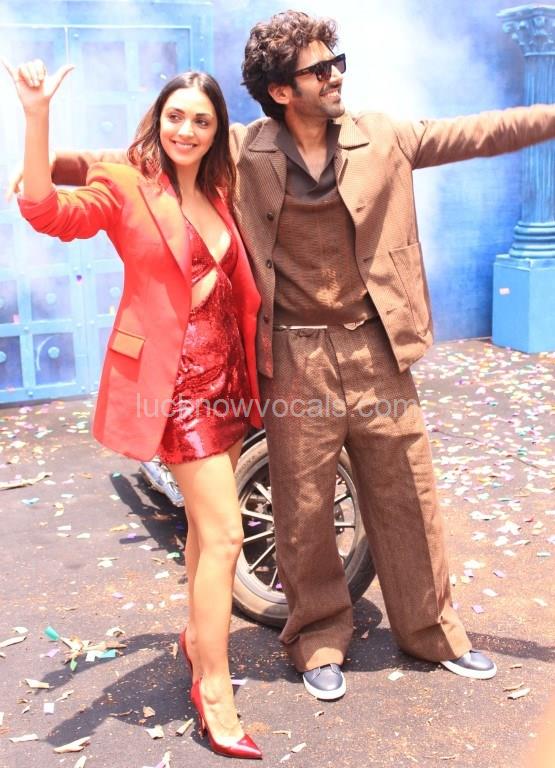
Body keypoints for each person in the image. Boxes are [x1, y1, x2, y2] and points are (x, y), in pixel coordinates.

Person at [18, 9, 555, 701]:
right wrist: (43, 164)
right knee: (302, 504)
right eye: (319, 68)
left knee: (407, 492)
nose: (336, 76)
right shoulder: (242, 149)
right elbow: (138, 159)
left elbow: (481, 132)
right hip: (294, 354)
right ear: (280, 90)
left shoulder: (384, 135)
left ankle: (432, 631)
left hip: (375, 346)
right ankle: (318, 636)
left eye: (337, 62)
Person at [4, 58, 263, 758]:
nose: (187, 129)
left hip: (228, 376)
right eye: (176, 116)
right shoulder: (125, 184)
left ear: (216, 132)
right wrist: (36, 116)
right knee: (227, 537)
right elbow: (45, 210)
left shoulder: (220, 189)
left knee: (207, 534)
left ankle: (195, 637)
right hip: (174, 387)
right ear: (158, 119)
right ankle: (213, 690)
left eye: (201, 120)